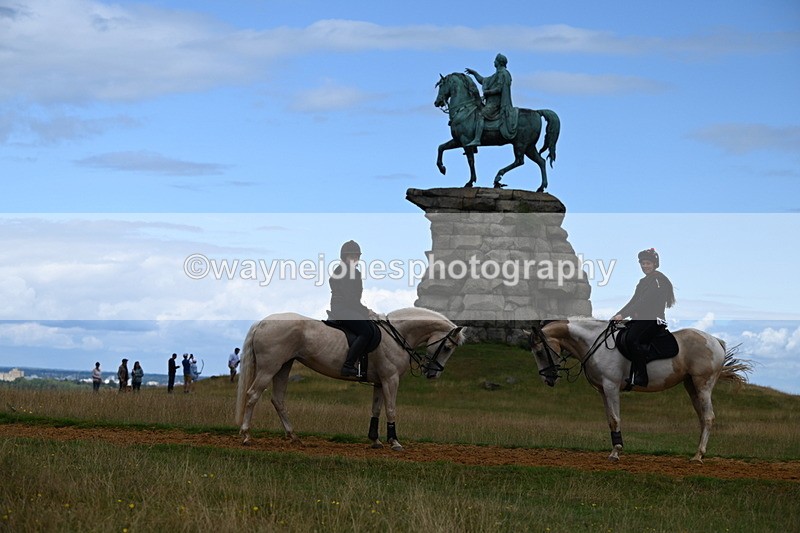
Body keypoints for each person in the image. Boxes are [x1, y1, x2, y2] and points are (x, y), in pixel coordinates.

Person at [612, 248, 676, 389]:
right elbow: (633, 301)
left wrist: (623, 315)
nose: (645, 266)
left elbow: (644, 302)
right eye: (643, 263)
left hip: (653, 319)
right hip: (642, 319)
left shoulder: (658, 281)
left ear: (654, 264)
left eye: (648, 263)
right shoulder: (643, 282)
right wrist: (618, 314)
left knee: (631, 338)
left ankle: (641, 376)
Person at [329, 240, 377, 377]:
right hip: (343, 308)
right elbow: (350, 298)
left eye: (357, 256)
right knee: (366, 332)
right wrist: (366, 311)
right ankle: (348, 365)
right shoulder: (346, 272)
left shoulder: (351, 272)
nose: (355, 259)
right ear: (344, 257)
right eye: (352, 256)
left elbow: (354, 299)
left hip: (348, 307)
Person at [464, 53, 518, 146]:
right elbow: (483, 80)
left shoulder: (503, 74)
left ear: (499, 62)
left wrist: (488, 92)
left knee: (480, 115)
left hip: (496, 104)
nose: (494, 62)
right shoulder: (497, 74)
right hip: (491, 103)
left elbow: (499, 89)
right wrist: (474, 73)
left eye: (495, 60)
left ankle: (477, 139)